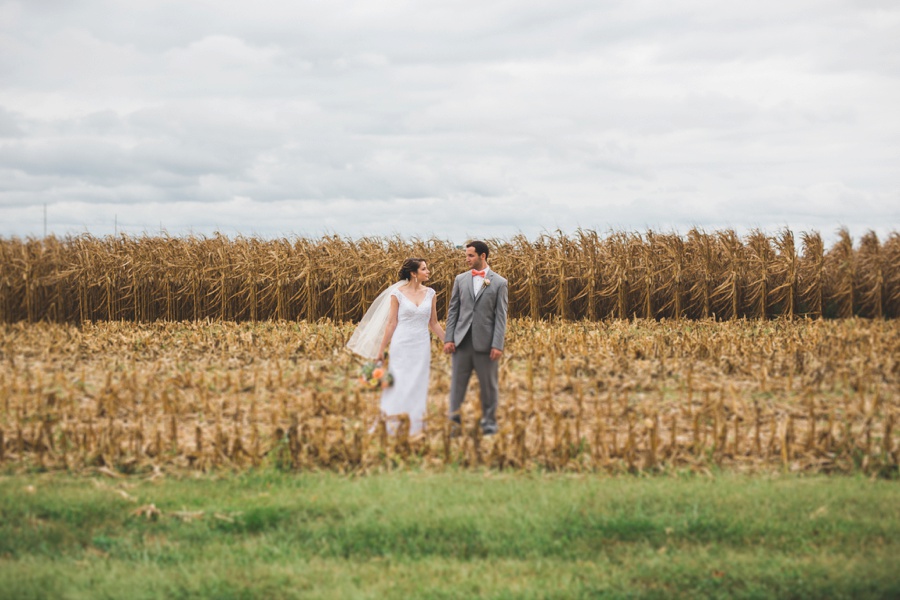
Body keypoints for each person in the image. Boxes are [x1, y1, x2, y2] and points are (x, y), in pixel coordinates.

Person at [346, 258, 444, 435]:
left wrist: (449, 341)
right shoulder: (397, 294)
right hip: (401, 343)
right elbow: (391, 323)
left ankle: (415, 425)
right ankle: (392, 422)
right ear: (414, 273)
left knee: (418, 383)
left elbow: (434, 323)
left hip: (421, 345)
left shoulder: (431, 293)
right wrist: (381, 350)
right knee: (398, 382)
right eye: (424, 269)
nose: (428, 271)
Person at [443, 240, 509, 435]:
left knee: (489, 386)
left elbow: (501, 316)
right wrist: (449, 338)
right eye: (466, 255)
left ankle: (489, 424)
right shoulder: (460, 280)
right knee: (457, 385)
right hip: (461, 342)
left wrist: (497, 344)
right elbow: (453, 311)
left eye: (470, 255)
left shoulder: (499, 282)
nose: (467, 259)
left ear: (483, 256)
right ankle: (454, 424)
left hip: (486, 344)